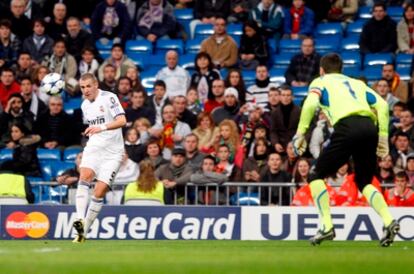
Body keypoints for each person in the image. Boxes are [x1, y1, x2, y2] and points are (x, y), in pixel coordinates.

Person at [292, 53, 400, 247]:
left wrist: (300, 133)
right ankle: (389, 220)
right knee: (364, 180)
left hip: (347, 127)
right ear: (341, 70)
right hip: (369, 127)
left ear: (322, 70)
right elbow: (383, 105)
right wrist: (383, 136)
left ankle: (326, 226)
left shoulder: (321, 81)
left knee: (315, 175)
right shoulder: (356, 83)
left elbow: (309, 103)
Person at [72, 73, 127, 243]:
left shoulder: (109, 97)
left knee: (99, 190)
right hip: (94, 147)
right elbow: (92, 128)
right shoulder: (84, 106)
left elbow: (122, 120)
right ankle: (80, 219)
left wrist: (101, 127)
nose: (86, 90)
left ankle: (84, 231)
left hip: (114, 152)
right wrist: (91, 130)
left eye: (88, 86)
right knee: (85, 177)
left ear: (96, 84)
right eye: (82, 87)